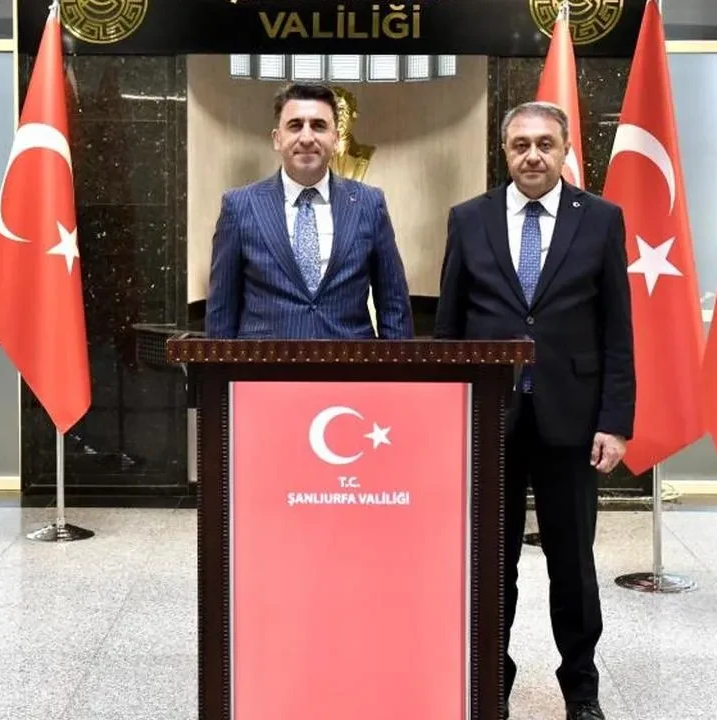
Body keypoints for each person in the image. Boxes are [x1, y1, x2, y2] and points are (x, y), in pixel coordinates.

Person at [433, 101, 634, 720]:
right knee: (492, 563)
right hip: (488, 421)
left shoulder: (600, 219)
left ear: (566, 148)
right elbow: (449, 329)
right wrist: (446, 416)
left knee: (572, 565)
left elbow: (617, 329)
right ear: (504, 151)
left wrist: (615, 422)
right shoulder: (469, 219)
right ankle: (491, 683)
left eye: (546, 143)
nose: (533, 155)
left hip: (572, 421)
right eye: (521, 144)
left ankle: (581, 690)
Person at [205, 82, 413, 340]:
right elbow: (221, 313)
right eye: (295, 125)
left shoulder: (369, 203)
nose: (306, 138)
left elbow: (394, 306)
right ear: (277, 139)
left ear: (335, 138)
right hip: (264, 364)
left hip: (350, 363)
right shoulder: (239, 206)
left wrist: (397, 365)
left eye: (318, 126)